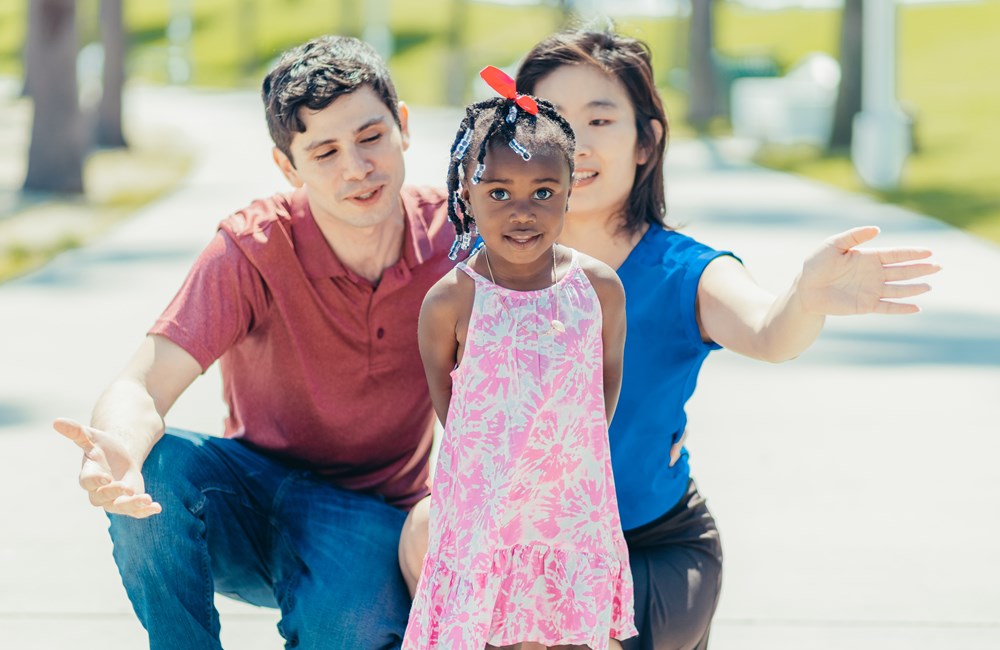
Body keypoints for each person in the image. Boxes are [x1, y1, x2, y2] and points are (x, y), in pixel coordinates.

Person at [399, 28, 941, 650]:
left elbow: (768, 329)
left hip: (649, 543)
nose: (574, 140)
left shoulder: (682, 270)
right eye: (553, 117)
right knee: (426, 529)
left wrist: (807, 298)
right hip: (513, 544)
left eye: (600, 118)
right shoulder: (474, 267)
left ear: (645, 141)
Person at [53, 35, 457, 650]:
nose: (355, 167)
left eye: (370, 136)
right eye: (324, 151)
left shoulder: (458, 239)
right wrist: (119, 450)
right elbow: (141, 384)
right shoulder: (254, 247)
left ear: (403, 127)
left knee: (342, 631)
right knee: (158, 467)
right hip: (250, 493)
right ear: (288, 167)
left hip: (369, 513)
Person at [402, 71, 636, 650]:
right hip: (486, 514)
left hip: (569, 510)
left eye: (543, 192)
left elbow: (604, 386)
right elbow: (449, 405)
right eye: (499, 193)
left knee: (569, 637)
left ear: (568, 191)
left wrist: (560, 461)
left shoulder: (598, 289)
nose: (522, 212)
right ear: (468, 195)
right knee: (491, 636)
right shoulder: (452, 301)